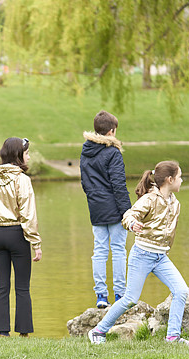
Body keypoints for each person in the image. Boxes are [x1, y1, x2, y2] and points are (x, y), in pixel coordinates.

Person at [87, 160, 189, 346]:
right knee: (130, 299)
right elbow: (129, 215)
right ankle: (98, 331)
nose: (182, 180)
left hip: (161, 257)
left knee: (181, 291)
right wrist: (132, 223)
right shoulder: (149, 199)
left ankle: (173, 338)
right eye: (180, 177)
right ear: (170, 179)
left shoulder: (175, 203)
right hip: (142, 255)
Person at [0, 137, 42, 337]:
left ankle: (2, 332)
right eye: (26, 153)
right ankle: (24, 332)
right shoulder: (22, 179)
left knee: (2, 286)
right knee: (22, 287)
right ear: (18, 156)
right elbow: (28, 213)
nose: (29, 156)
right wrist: (36, 243)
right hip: (17, 235)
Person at [80, 110, 132, 309]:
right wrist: (127, 212)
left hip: (96, 206)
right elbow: (118, 184)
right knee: (118, 250)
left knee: (99, 251)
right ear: (111, 131)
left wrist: (94, 198)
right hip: (115, 207)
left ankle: (101, 295)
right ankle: (120, 294)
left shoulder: (86, 151)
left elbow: (84, 181)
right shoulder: (113, 152)